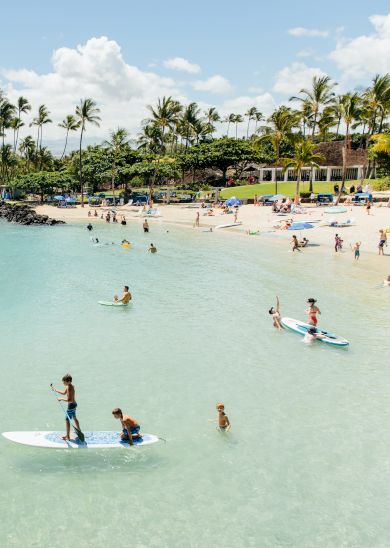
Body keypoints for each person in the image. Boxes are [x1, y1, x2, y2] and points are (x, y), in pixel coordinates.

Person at [51, 374, 81, 441]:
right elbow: (64, 393)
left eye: (64, 382)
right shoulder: (69, 386)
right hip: (74, 404)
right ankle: (79, 431)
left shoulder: (70, 388)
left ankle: (68, 436)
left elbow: (70, 399)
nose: (63, 383)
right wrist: (55, 390)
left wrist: (61, 399)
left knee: (67, 420)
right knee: (74, 418)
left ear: (69, 381)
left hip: (71, 405)